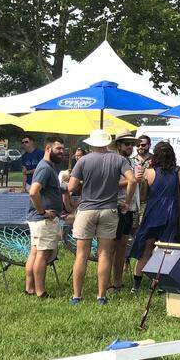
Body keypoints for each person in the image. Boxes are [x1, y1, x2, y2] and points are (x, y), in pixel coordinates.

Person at [67, 129, 136, 305]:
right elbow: (133, 180)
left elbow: (71, 187)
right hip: (109, 210)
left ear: (91, 144)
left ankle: (76, 296)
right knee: (105, 254)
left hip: (87, 209)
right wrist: (127, 202)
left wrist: (84, 184)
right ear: (107, 143)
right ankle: (101, 296)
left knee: (81, 255)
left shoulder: (83, 160)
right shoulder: (119, 159)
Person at [129, 141, 180, 293]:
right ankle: (160, 284)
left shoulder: (149, 172)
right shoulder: (178, 171)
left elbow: (143, 196)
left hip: (153, 213)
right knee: (165, 250)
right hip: (171, 213)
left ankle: (136, 285)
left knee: (146, 250)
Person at [25, 137, 71, 298]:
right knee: (43, 255)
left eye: (63, 149)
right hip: (43, 220)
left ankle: (30, 288)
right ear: (48, 148)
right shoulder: (45, 167)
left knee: (35, 252)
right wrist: (43, 212)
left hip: (39, 219)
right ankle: (40, 292)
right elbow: (33, 192)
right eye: (58, 149)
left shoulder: (49, 166)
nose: (61, 152)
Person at [111, 131, 140, 292]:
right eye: (127, 144)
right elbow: (111, 183)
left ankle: (117, 282)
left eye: (132, 144)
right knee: (113, 247)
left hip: (129, 208)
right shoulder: (115, 160)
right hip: (118, 206)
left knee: (122, 246)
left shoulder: (129, 160)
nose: (130, 147)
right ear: (118, 145)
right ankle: (110, 282)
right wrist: (132, 179)